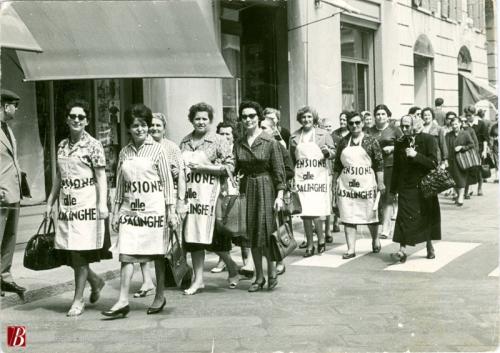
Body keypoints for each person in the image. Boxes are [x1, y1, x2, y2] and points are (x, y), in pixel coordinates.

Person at [103, 104, 177, 318]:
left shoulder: (158, 150)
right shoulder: (124, 152)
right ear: (129, 128)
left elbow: (167, 182)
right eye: (135, 126)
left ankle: (160, 295)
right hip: (130, 210)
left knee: (157, 254)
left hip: (154, 209)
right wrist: (116, 212)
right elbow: (120, 184)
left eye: (144, 125)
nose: (140, 129)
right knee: (126, 254)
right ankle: (122, 300)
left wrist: (171, 211)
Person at [45, 99, 111, 316]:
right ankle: (96, 280)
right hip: (66, 208)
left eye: (80, 117)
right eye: (72, 116)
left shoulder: (94, 145)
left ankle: (78, 299)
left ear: (87, 121)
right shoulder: (62, 145)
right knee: (68, 253)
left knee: (80, 254)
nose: (76, 120)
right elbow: (59, 176)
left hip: (86, 207)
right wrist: (49, 202)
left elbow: (101, 177)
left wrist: (102, 204)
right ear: (67, 119)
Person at [180, 103, 239, 295]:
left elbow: (230, 167)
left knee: (215, 240)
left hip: (213, 198)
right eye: (197, 118)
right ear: (191, 120)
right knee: (194, 239)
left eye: (204, 118)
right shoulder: (185, 141)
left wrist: (204, 168)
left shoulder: (218, 140)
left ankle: (231, 265)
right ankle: (199, 280)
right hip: (193, 197)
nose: (201, 122)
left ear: (210, 120)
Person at [130, 112, 187, 297]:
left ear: (164, 128)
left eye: (158, 126)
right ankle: (147, 280)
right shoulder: (138, 148)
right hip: (146, 201)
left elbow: (181, 177)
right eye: (151, 125)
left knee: (169, 242)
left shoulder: (171, 148)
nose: (154, 128)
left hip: (167, 200)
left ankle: (177, 275)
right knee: (144, 241)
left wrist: (179, 202)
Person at [234, 100, 285, 292]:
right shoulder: (239, 142)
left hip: (266, 188)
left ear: (259, 118)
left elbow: (279, 172)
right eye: (244, 116)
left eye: (252, 116)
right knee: (252, 234)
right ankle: (259, 276)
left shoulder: (270, 141)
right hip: (247, 188)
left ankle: (271, 271)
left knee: (266, 231)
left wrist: (279, 196)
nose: (248, 119)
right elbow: (234, 167)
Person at [333, 111, 384, 259]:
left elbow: (379, 164)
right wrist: (334, 183)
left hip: (367, 185)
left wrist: (380, 183)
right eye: (351, 123)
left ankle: (375, 239)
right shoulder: (343, 142)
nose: (354, 126)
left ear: (362, 123)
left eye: (357, 123)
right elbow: (337, 165)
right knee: (348, 215)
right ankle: (351, 249)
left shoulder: (371, 141)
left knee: (370, 214)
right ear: (348, 125)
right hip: (347, 186)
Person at [391, 115, 441, 262]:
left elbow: (433, 163)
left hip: (425, 184)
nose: (405, 129)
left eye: (408, 126)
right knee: (403, 217)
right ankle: (402, 249)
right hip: (406, 186)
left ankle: (429, 244)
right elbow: (396, 168)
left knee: (425, 216)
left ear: (415, 125)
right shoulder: (400, 143)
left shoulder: (428, 139)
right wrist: (393, 190)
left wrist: (416, 155)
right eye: (403, 126)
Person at [290, 106, 334, 257]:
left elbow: (334, 152)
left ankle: (321, 239)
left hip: (318, 177)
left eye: (309, 117)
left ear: (313, 118)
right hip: (302, 177)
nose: (306, 120)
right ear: (300, 119)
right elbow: (291, 159)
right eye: (303, 117)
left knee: (315, 211)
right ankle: (309, 244)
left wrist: (328, 152)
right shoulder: (294, 136)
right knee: (305, 211)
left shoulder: (324, 134)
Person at [0, 89, 26, 298]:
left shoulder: (7, 129)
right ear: (4, 105)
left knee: (9, 237)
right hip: (1, 192)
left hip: (13, 191)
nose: (16, 109)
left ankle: (4, 277)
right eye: (14, 105)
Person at [260, 117, 294, 275]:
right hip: (259, 191)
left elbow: (289, 170)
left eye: (265, 127)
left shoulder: (278, 146)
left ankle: (280, 260)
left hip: (274, 191)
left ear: (273, 130)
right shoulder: (257, 144)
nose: (262, 130)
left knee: (275, 227)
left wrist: (277, 183)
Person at [368, 104, 402, 240]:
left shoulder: (395, 130)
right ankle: (379, 221)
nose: (380, 116)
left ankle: (386, 228)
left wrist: (393, 148)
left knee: (387, 196)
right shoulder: (369, 131)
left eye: (383, 114)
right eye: (378, 114)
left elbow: (405, 145)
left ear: (388, 116)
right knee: (374, 197)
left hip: (389, 166)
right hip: (372, 167)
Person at [443, 116, 476, 206]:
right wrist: (444, 159)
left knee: (461, 179)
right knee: (452, 180)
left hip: (462, 160)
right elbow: (444, 147)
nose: (454, 126)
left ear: (460, 124)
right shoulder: (448, 135)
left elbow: (472, 144)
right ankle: (458, 194)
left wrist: (462, 147)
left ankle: (461, 197)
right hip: (451, 160)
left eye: (456, 124)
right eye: (452, 124)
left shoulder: (465, 134)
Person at [464, 105, 489, 196]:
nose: (467, 117)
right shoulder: (465, 124)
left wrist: (484, 151)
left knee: (478, 169)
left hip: (479, 149)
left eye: (469, 115)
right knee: (467, 169)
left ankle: (480, 187)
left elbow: (485, 138)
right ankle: (467, 189)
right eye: (466, 115)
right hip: (468, 149)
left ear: (474, 114)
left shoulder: (481, 123)